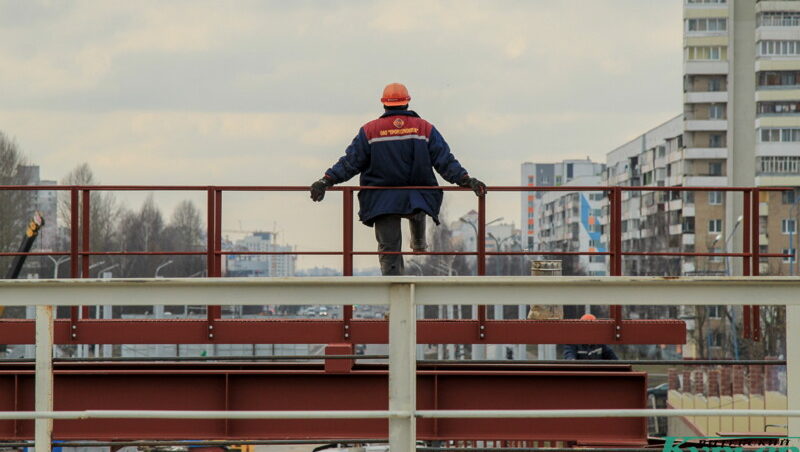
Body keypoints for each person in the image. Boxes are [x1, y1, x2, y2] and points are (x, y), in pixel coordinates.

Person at [310, 83, 486, 275]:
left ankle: (393, 285)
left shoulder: (370, 131)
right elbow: (445, 161)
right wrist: (467, 180)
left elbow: (350, 163)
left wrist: (326, 181)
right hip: (417, 195)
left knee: (389, 248)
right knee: (419, 202)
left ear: (384, 104)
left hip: (382, 199)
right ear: (407, 102)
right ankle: (419, 242)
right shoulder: (424, 128)